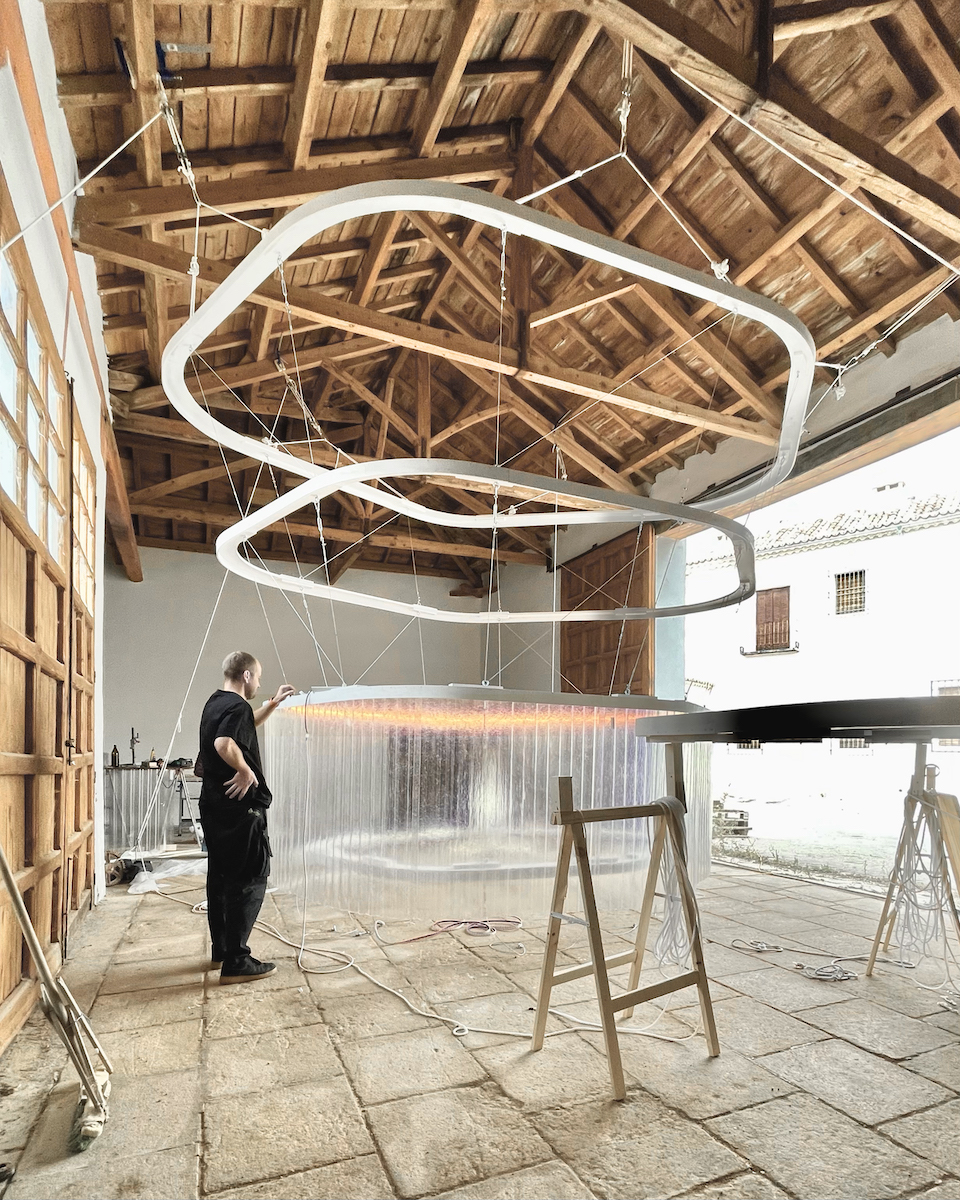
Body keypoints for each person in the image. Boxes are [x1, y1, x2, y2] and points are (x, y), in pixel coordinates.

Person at [198, 651, 295, 984]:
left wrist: (273, 704)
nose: (260, 681)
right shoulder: (235, 706)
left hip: (214, 808)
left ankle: (223, 949)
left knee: (221, 879)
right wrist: (245, 770)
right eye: (259, 676)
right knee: (250, 877)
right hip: (239, 812)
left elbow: (241, 725)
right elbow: (225, 742)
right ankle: (238, 960)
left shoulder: (216, 702)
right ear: (247, 676)